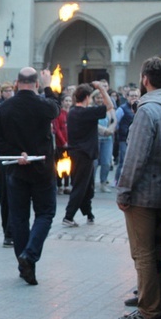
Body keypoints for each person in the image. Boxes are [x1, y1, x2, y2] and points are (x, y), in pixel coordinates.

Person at [117, 57, 161, 319]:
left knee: (142, 253)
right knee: (159, 252)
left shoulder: (147, 110)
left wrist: (124, 190)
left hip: (143, 195)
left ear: (145, 79)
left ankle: (149, 310)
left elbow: (135, 157)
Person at [0, 68, 60, 286]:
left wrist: (13, 152)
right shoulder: (43, 104)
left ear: (17, 83)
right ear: (36, 84)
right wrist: (49, 87)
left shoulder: (6, 106)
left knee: (19, 217)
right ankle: (29, 255)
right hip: (42, 169)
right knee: (45, 213)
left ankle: (24, 263)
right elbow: (55, 109)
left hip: (16, 168)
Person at [62, 82, 113, 227]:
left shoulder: (73, 111)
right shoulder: (85, 113)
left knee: (88, 186)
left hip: (80, 154)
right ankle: (68, 216)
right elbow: (110, 106)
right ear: (86, 97)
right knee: (80, 186)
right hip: (83, 154)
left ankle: (88, 213)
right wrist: (102, 89)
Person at [114, 87, 139, 184]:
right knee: (123, 161)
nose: (134, 98)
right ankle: (117, 180)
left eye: (136, 96)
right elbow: (116, 123)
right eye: (132, 96)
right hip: (124, 139)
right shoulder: (122, 109)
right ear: (127, 97)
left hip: (136, 139)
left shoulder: (141, 108)